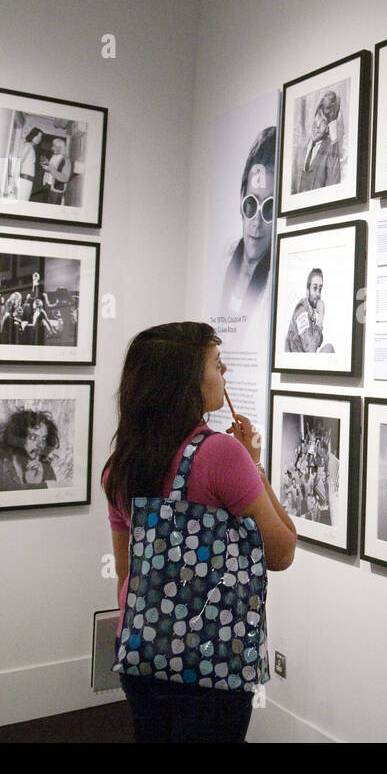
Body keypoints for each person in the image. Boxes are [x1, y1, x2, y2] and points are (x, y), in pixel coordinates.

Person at [105, 322, 296, 742]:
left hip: (142, 649)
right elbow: (282, 550)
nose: (224, 370)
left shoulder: (122, 461)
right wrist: (254, 467)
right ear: (187, 380)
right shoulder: (221, 454)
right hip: (211, 657)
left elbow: (126, 573)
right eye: (215, 362)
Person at [220, 127, 276, 319]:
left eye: (269, 208)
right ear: (241, 198)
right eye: (251, 204)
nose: (257, 222)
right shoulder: (223, 257)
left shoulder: (272, 286)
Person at [0, 409, 59, 492]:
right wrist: (34, 486)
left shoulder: (46, 470)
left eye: (44, 439)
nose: (40, 445)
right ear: (18, 438)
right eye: (33, 437)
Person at [296, 90, 341, 191]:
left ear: (328, 127)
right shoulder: (301, 148)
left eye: (321, 124)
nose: (316, 127)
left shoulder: (330, 149)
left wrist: (334, 138)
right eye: (315, 122)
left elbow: (334, 182)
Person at [284, 268, 335, 353]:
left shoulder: (310, 312)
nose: (318, 294)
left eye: (320, 289)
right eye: (315, 288)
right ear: (308, 290)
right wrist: (321, 315)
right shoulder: (301, 310)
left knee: (329, 348)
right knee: (329, 349)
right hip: (294, 362)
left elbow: (318, 341)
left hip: (303, 361)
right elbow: (311, 349)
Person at [11, 127, 44, 201]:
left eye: (40, 137)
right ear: (32, 135)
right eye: (37, 136)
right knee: (22, 200)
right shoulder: (28, 146)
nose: (39, 138)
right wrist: (15, 179)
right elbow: (20, 161)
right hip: (24, 180)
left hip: (28, 180)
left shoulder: (31, 147)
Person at [37, 136, 72, 205]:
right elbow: (53, 169)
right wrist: (46, 163)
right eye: (53, 145)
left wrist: (50, 169)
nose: (52, 148)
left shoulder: (66, 160)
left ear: (60, 148)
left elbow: (65, 178)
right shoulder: (54, 156)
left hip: (56, 191)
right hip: (47, 187)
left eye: (54, 146)